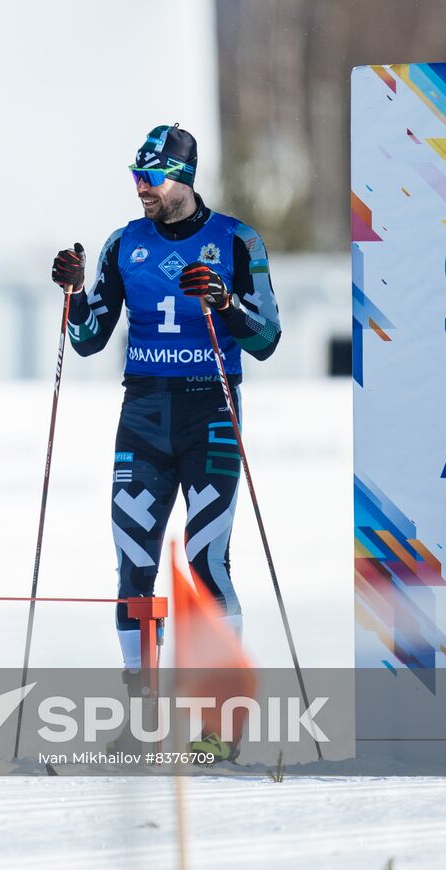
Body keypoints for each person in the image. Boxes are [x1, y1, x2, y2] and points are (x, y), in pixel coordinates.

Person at [49, 123, 281, 712]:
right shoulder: (124, 243)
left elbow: (268, 338)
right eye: (136, 176)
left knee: (206, 564)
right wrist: (74, 293)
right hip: (144, 417)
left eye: (150, 176)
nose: (141, 188)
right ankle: (141, 717)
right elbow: (88, 340)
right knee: (134, 569)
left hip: (211, 413)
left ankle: (220, 716)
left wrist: (225, 302)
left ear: (182, 177)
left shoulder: (236, 240)